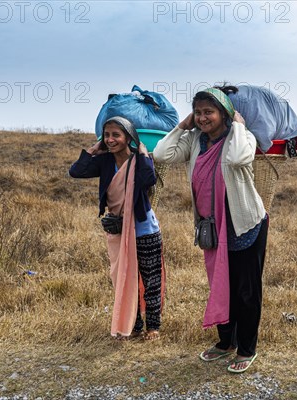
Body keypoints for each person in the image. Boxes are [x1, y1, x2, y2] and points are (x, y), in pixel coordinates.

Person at [153, 88, 268, 374]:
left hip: (244, 223)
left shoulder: (242, 136)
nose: (203, 118)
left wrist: (239, 126)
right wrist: (183, 125)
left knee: (246, 291)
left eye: (209, 112)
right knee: (221, 285)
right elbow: (161, 154)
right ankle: (225, 342)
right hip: (213, 226)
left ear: (224, 114)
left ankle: (246, 348)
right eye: (199, 112)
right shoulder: (194, 140)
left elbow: (239, 158)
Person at [69, 116, 164, 341]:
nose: (111, 140)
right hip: (118, 230)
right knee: (124, 278)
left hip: (144, 230)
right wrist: (94, 148)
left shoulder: (138, 160)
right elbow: (76, 171)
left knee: (150, 280)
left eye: (116, 135)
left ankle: (153, 326)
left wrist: (142, 152)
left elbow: (149, 179)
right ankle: (134, 325)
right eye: (107, 135)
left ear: (128, 137)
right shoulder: (104, 162)